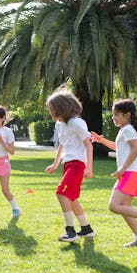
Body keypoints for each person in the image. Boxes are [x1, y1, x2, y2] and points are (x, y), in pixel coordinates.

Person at [91, 99, 137, 248]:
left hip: (130, 173)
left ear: (127, 114)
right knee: (124, 208)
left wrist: (122, 168)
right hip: (130, 174)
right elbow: (119, 148)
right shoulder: (125, 130)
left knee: (114, 206)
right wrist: (102, 141)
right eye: (113, 115)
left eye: (117, 114)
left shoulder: (127, 129)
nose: (113, 118)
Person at [44, 89, 96, 242]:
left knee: (61, 193)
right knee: (71, 198)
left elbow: (89, 145)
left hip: (78, 164)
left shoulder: (76, 123)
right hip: (68, 164)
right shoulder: (59, 125)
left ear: (61, 108)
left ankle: (70, 231)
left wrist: (89, 167)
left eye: (51, 109)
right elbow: (63, 145)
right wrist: (55, 164)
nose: (50, 112)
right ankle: (87, 229)